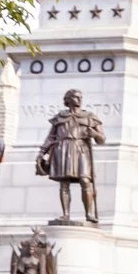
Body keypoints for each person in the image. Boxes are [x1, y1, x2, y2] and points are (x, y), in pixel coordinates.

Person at [36, 89, 104, 224]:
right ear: (68, 99)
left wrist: (95, 134)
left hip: (81, 150)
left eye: (80, 97)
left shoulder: (90, 116)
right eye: (75, 97)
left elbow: (102, 140)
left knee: (85, 181)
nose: (79, 99)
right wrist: (42, 152)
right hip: (62, 149)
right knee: (64, 183)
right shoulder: (60, 117)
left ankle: (89, 213)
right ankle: (65, 214)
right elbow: (51, 137)